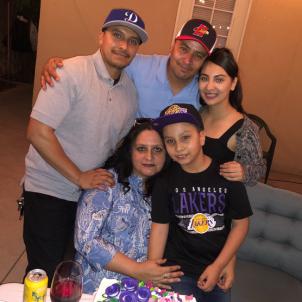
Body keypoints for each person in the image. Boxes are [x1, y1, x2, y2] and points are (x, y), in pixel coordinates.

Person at [23, 8, 148, 284]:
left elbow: (116, 146)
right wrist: (79, 176)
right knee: (43, 273)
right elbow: (37, 132)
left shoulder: (130, 92)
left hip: (88, 196)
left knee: (70, 273)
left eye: (133, 41)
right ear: (100, 36)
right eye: (117, 35)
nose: (124, 45)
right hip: (50, 190)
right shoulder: (69, 72)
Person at [148, 103, 253, 302]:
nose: (178, 148)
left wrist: (220, 265)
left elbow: (240, 224)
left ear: (202, 137)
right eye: (170, 141)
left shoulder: (227, 175)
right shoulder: (164, 182)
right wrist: (153, 269)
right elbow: (159, 227)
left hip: (217, 265)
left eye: (185, 137)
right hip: (177, 269)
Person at [75, 120, 183, 294]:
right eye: (141, 149)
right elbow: (85, 240)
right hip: (97, 288)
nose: (149, 157)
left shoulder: (167, 191)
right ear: (129, 152)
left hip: (142, 290)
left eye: (157, 149)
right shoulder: (107, 181)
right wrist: (136, 270)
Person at [40, 18, 217, 118]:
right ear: (172, 46)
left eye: (198, 55)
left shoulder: (205, 90)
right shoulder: (140, 65)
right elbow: (103, 62)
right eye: (184, 49)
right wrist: (60, 64)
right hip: (131, 157)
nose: (188, 60)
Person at [199, 48, 266, 185]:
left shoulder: (245, 129)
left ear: (233, 83)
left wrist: (244, 171)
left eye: (219, 80)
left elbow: (259, 168)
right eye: (204, 78)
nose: (209, 86)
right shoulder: (197, 114)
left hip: (215, 203)